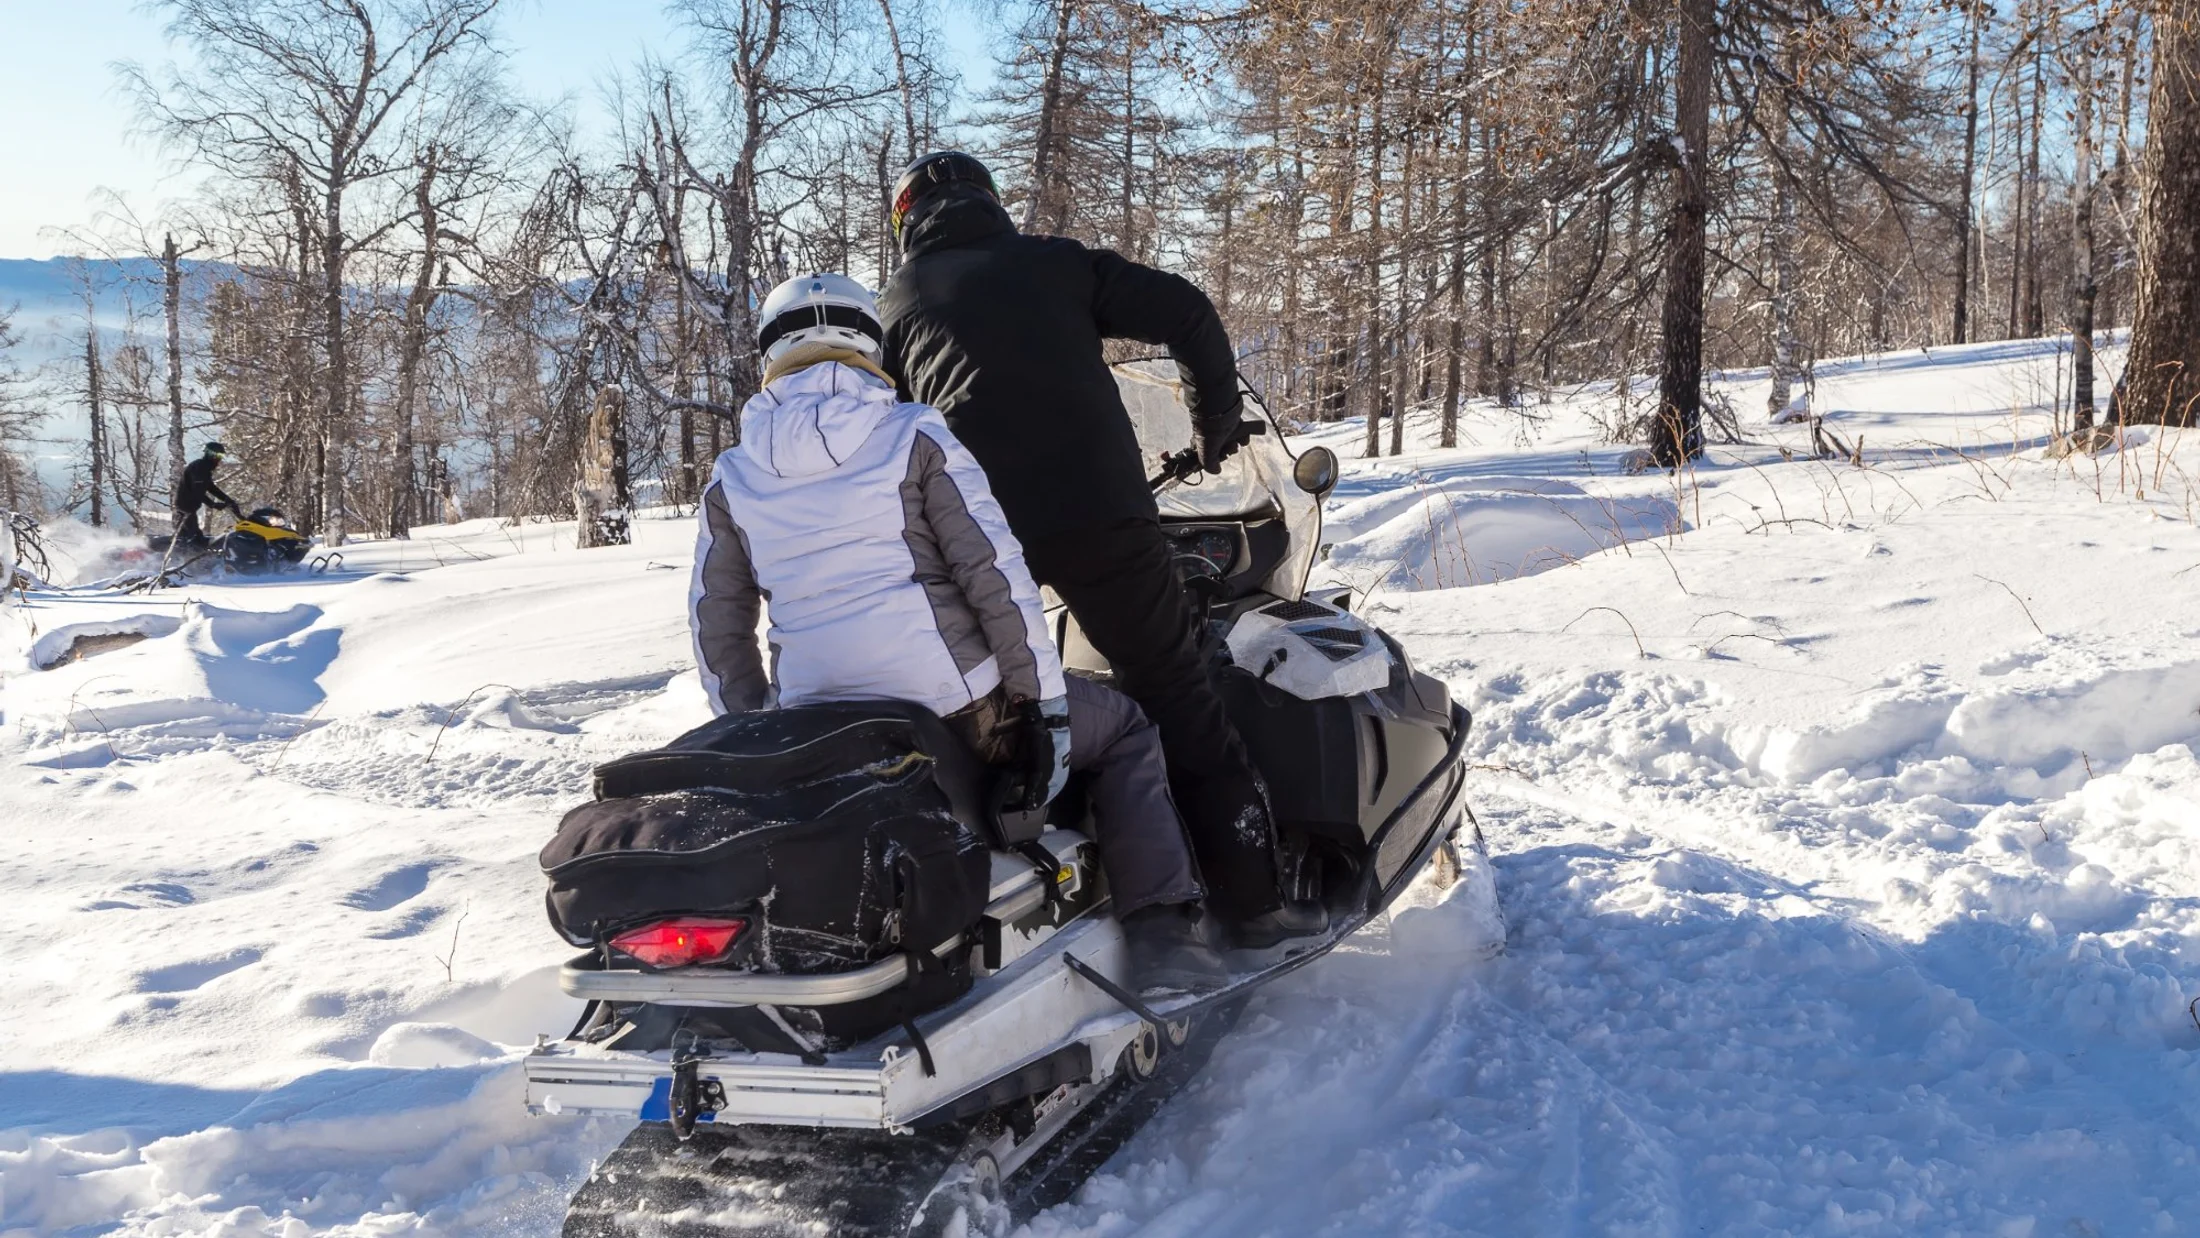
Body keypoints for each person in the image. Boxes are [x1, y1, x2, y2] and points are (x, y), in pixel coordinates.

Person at [689, 272, 1227, 994]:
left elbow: (717, 629)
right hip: (958, 717)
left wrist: (762, 733)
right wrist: (1044, 713)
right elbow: (996, 579)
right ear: (868, 346)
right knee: (1125, 727)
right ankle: (1166, 934)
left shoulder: (734, 475)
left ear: (771, 355)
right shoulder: (912, 435)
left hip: (821, 734)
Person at [877, 151, 1324, 948]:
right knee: (1180, 697)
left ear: (907, 222)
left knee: (989, 705)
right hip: (1103, 521)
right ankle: (1253, 907)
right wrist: (1215, 423)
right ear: (990, 203)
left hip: (979, 539)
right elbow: (1187, 311)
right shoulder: (1055, 264)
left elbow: (887, 436)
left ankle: (998, 899)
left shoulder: (898, 305)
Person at [172, 442, 238, 550]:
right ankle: (188, 561)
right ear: (211, 455)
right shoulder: (199, 468)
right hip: (185, 506)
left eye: (222, 456)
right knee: (193, 539)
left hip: (189, 507)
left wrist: (227, 499)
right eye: (219, 456)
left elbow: (211, 488)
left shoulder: (204, 468)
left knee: (195, 536)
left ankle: (184, 555)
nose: (220, 460)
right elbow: (197, 492)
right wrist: (213, 504)